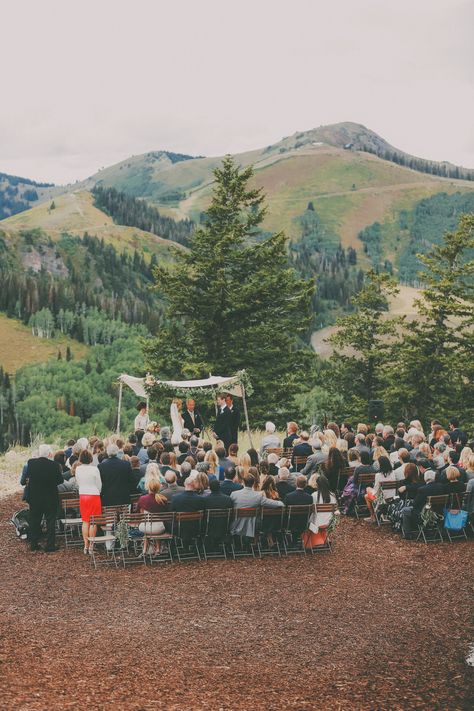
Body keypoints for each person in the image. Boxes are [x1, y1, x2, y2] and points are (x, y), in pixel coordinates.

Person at [26, 444, 63, 552]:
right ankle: (50, 545)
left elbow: (28, 476)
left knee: (35, 520)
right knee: (50, 521)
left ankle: (34, 543)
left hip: (35, 497)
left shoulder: (31, 463)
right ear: (49, 454)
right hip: (50, 497)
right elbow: (60, 481)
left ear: (39, 453)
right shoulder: (54, 465)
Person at [75, 449, 102, 554]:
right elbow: (99, 484)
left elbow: (78, 482)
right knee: (93, 521)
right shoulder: (95, 469)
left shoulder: (78, 469)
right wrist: (98, 491)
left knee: (85, 521)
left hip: (83, 494)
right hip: (94, 495)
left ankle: (85, 545)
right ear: (90, 458)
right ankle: (91, 546)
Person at [364, 456, 396, 523]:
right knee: (368, 492)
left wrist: (369, 490)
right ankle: (376, 515)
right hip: (393, 498)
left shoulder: (378, 475)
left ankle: (373, 516)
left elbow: (376, 491)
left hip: (382, 499)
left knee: (366, 495)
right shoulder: (394, 473)